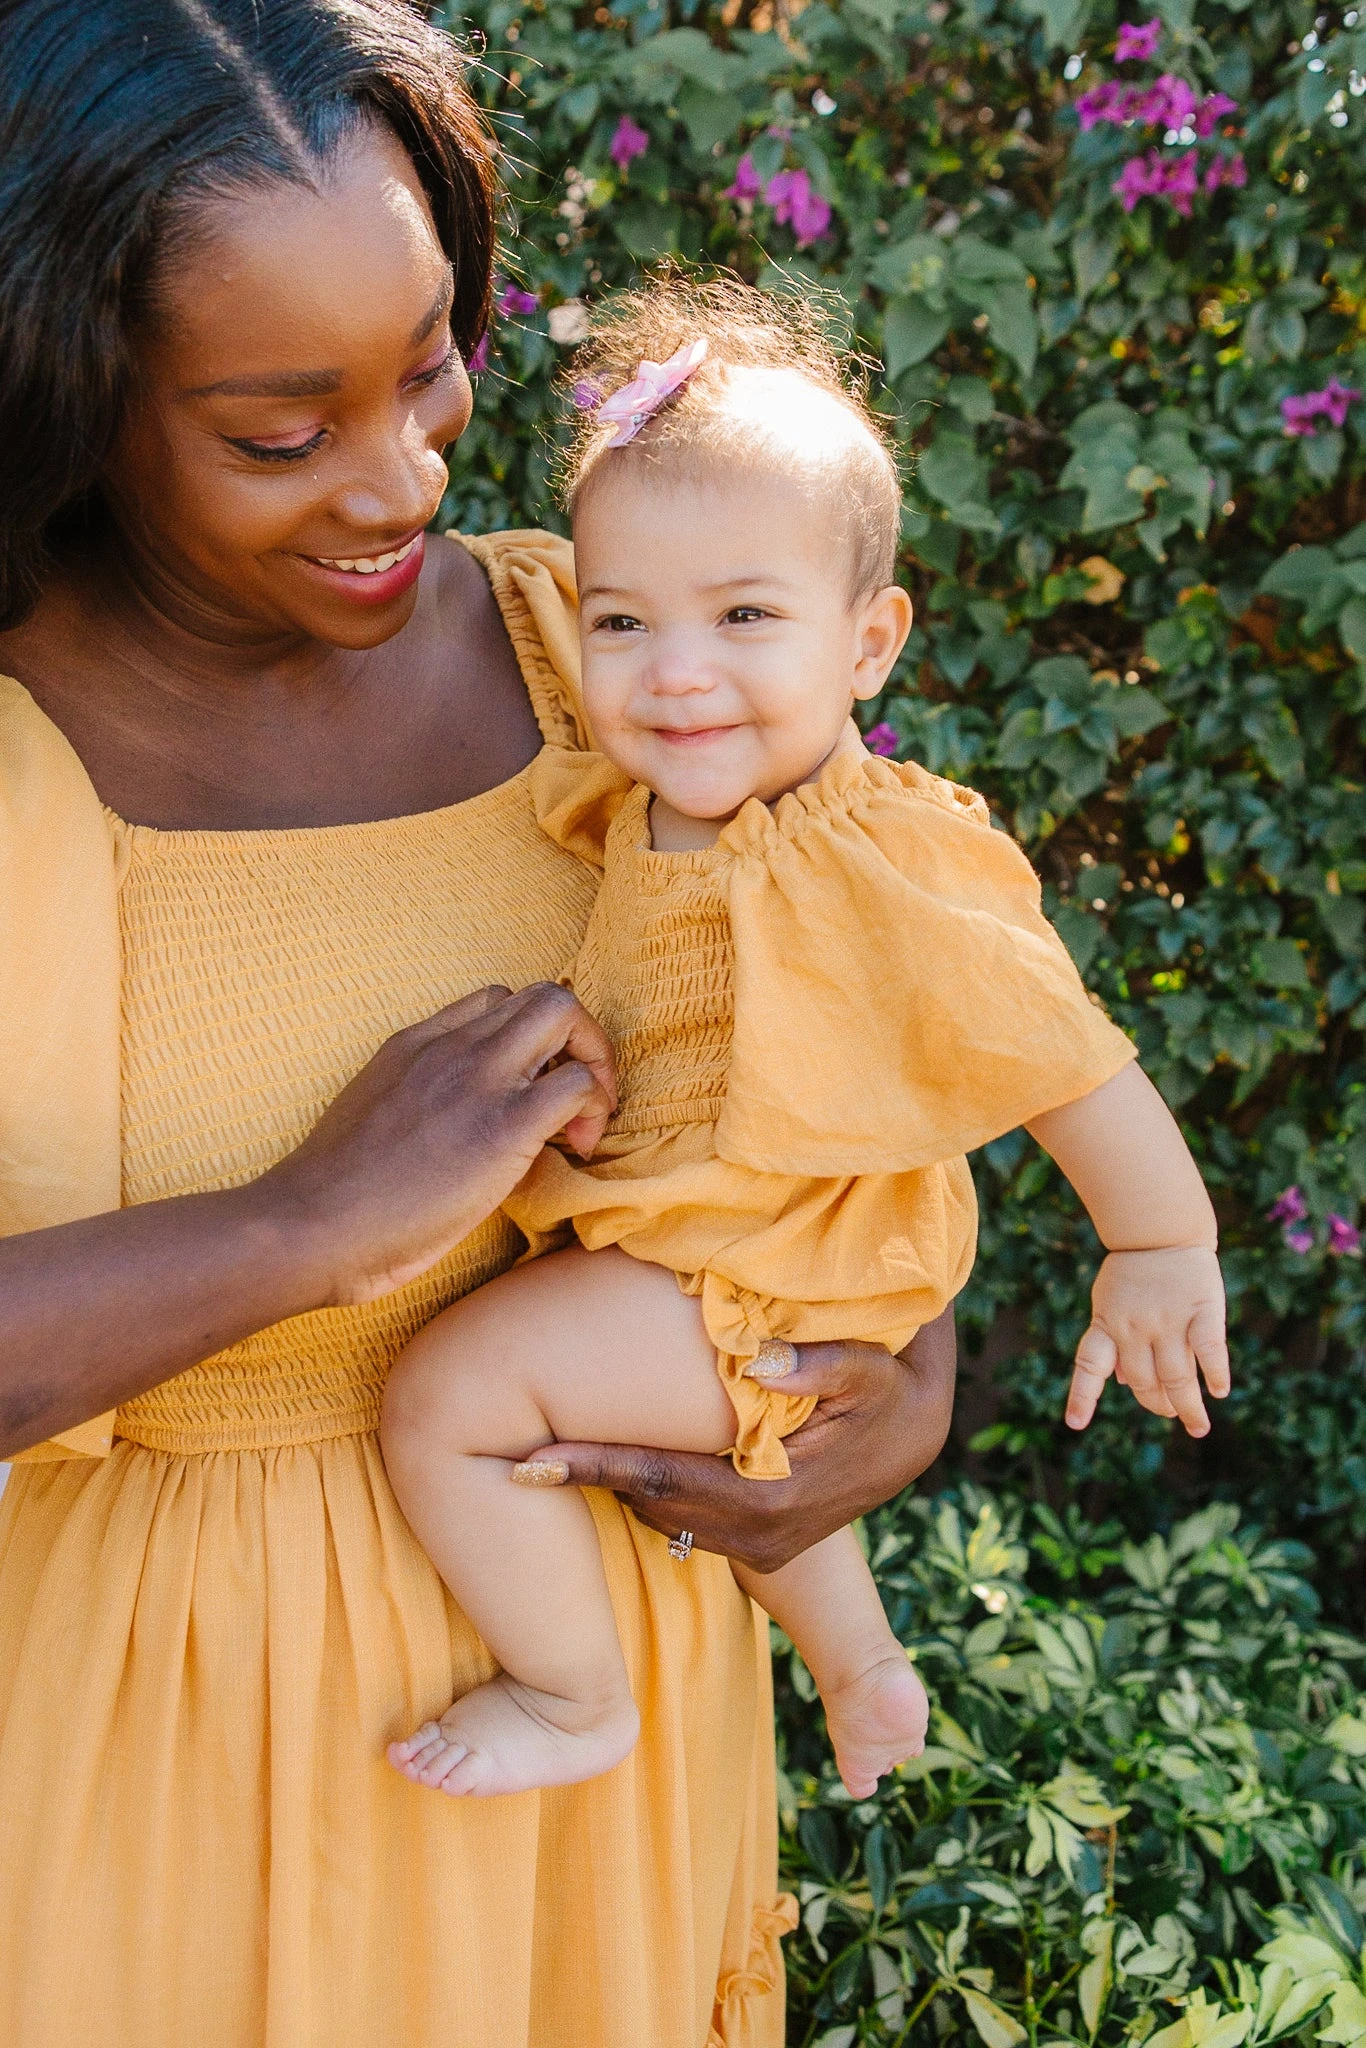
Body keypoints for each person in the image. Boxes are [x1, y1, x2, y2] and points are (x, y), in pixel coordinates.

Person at [0, 7, 957, 2045]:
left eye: (430, 366)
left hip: (598, 1753)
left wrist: (895, 1384)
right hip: (171, 1770)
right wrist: (301, 1226)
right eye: (278, 430)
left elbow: (855, 1057)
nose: (400, 475)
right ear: (65, 395)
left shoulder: (610, 654)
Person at [379, 279, 1231, 1804]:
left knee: (450, 1397)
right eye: (625, 621)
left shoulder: (867, 846)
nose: (676, 669)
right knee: (764, 1461)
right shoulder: (648, 806)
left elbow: (1060, 1046)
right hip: (711, 1229)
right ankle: (862, 1668)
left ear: (870, 641)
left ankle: (573, 1697)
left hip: (766, 1258)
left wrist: (1157, 1242)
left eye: (744, 618)